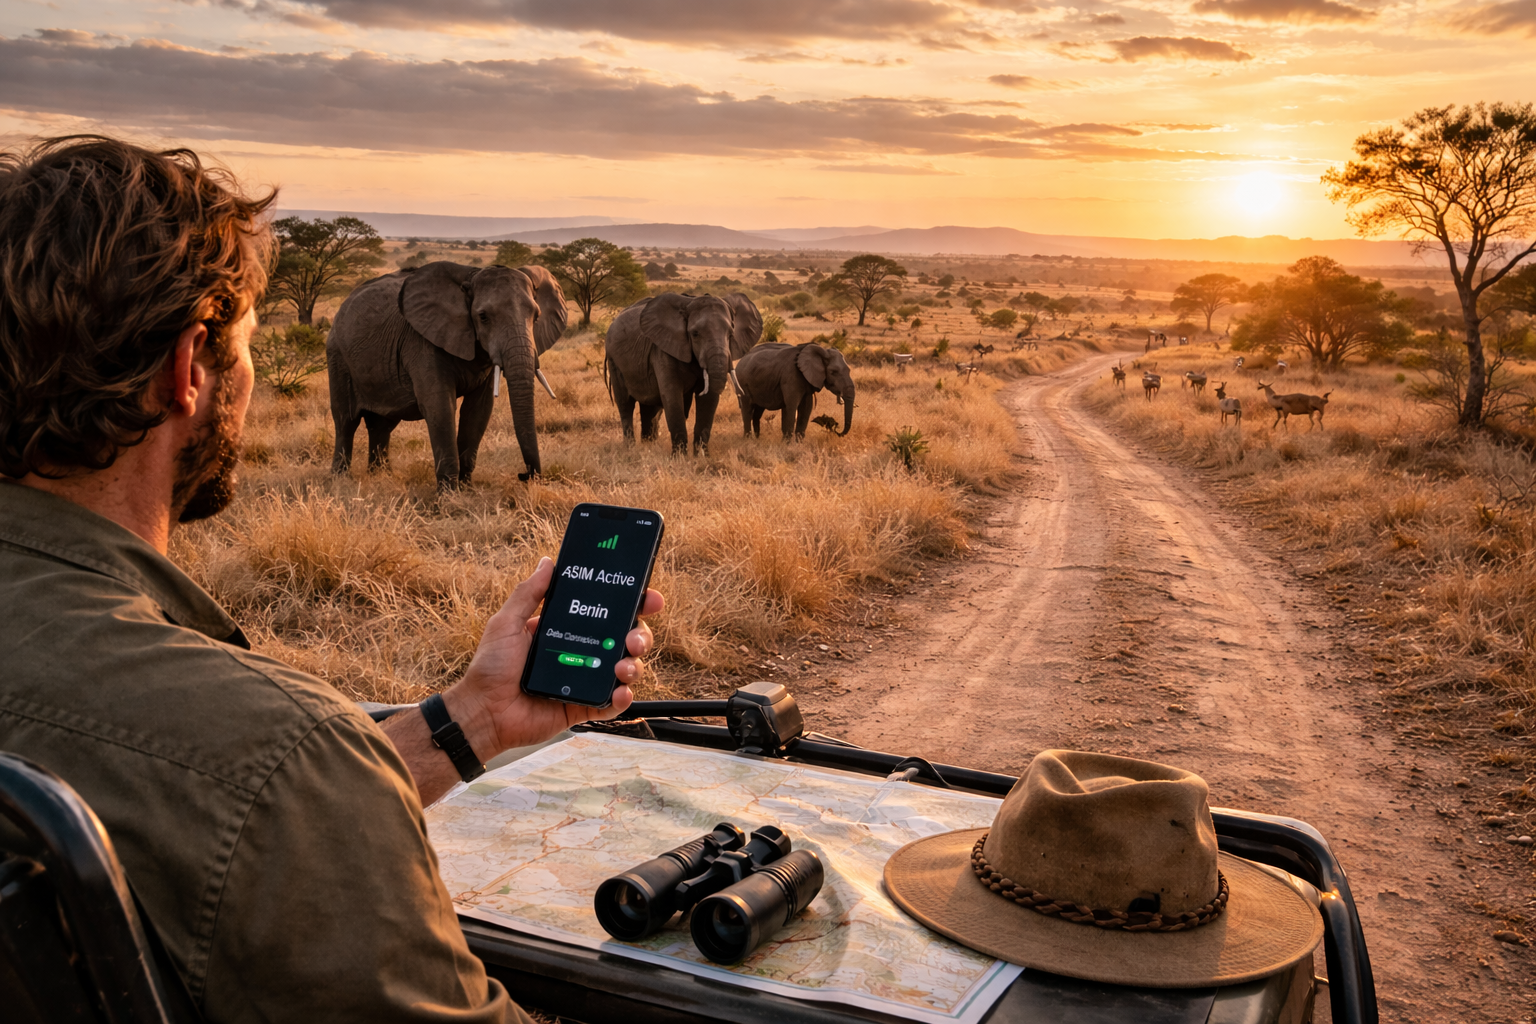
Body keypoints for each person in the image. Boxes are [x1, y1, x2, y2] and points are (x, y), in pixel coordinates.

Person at [0, 136, 661, 1022]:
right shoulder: (278, 753)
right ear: (185, 370)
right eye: (243, 348)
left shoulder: (269, 767)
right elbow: (257, 789)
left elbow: (205, 802)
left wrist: (471, 718)